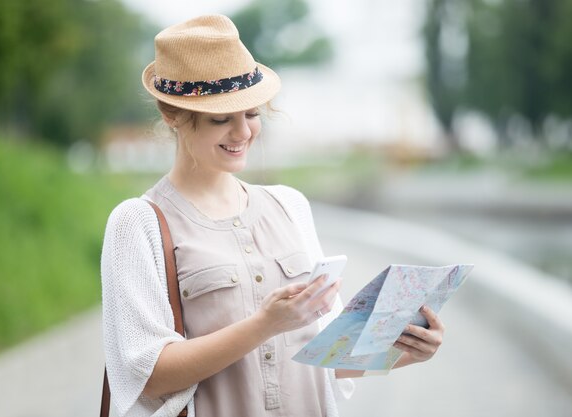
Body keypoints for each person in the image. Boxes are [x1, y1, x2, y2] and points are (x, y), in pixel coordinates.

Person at [100, 14, 445, 417]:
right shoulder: (137, 224)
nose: (243, 132)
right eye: (221, 119)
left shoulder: (290, 205)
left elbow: (323, 360)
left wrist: (402, 350)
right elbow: (146, 376)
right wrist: (264, 324)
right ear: (171, 115)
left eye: (251, 113)